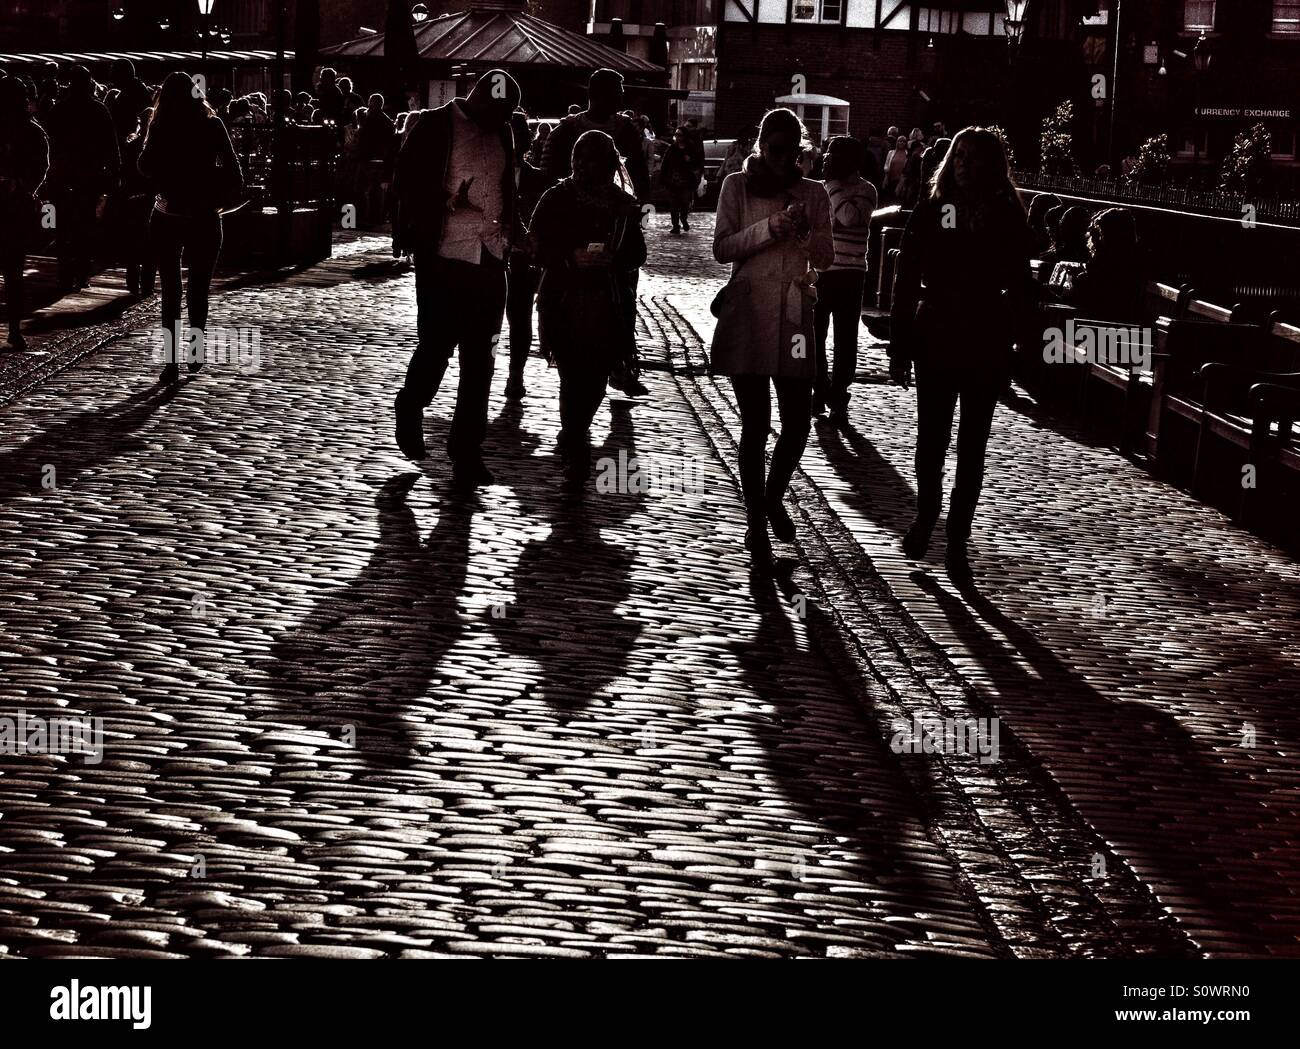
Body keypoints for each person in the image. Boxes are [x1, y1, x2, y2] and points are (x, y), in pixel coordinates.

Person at [888, 126, 1033, 575]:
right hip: (936, 330)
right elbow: (906, 277)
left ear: (991, 165)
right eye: (959, 156)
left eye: (974, 157)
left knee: (973, 444)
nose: (965, 164)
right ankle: (927, 512)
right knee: (932, 437)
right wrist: (899, 342)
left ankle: (957, 537)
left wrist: (1022, 341)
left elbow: (1020, 281)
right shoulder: (933, 210)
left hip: (985, 333)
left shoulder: (1006, 213)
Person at [710, 107, 833, 568]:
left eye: (791, 151)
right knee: (756, 425)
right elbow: (723, 248)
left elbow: (826, 257)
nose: (783, 159)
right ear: (762, 147)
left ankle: (772, 495)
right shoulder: (736, 186)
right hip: (748, 313)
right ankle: (756, 521)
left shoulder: (814, 193)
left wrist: (803, 234)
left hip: (794, 315)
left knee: (798, 423)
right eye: (775, 150)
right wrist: (767, 229)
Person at [390, 69, 523, 487]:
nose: (505, 119)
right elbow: (404, 182)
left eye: (510, 113)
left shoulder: (503, 132)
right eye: (501, 110)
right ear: (481, 97)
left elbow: (508, 186)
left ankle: (466, 452)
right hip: (443, 256)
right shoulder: (434, 125)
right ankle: (410, 404)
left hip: (490, 258)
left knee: (481, 361)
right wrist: (435, 210)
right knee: (435, 348)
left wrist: (515, 232)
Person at [530, 130, 646, 487]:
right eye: (578, 159)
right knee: (571, 377)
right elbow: (535, 245)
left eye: (591, 160)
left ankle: (574, 432)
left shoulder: (622, 205)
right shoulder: (557, 198)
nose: (583, 166)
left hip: (608, 304)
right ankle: (577, 444)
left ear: (608, 165)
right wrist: (570, 257)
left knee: (595, 381)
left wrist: (614, 258)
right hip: (563, 300)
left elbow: (637, 254)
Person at [540, 68, 651, 397]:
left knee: (623, 294)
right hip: (573, 222)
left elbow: (638, 175)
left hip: (614, 221)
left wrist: (636, 212)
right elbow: (548, 175)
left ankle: (620, 360)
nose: (621, 97)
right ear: (599, 93)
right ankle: (558, 348)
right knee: (559, 290)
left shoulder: (626, 130)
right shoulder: (567, 130)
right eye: (617, 91)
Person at [138, 71, 243, 383]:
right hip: (204, 216)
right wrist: (217, 197)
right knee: (199, 289)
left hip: (167, 213)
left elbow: (144, 166)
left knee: (170, 291)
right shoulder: (212, 124)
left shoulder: (160, 126)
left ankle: (170, 362)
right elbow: (235, 172)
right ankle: (195, 352)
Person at [813, 135, 877, 424]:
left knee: (845, 338)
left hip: (850, 272)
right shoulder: (822, 188)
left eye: (833, 157)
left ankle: (839, 392)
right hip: (822, 271)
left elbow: (849, 217)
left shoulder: (865, 189)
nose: (827, 161)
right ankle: (819, 387)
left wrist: (833, 187)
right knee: (815, 334)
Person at [45, 64, 120, 291]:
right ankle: (82, 272)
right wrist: (114, 172)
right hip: (89, 175)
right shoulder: (98, 109)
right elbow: (111, 144)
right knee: (85, 224)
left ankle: (65, 271)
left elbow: (50, 144)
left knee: (63, 225)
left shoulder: (59, 109)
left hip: (63, 174)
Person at [0, 76, 49, 351]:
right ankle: (14, 329)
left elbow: (40, 167)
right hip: (16, 207)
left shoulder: (31, 132)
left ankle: (15, 328)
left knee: (14, 270)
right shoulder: (32, 131)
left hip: (15, 205)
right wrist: (23, 185)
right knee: (14, 271)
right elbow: (41, 167)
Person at [504, 110, 549, 400]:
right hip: (488, 258)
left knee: (520, 320)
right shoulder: (488, 175)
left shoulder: (539, 180)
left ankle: (515, 374)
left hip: (522, 261)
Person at [1069, 207, 1144, 324]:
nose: (1094, 240)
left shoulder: (1110, 263)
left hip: (1103, 325)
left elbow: (1092, 297)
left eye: (1099, 233)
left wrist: (1076, 279)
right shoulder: (1131, 260)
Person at [659, 127, 697, 234]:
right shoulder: (672, 148)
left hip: (686, 181)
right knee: (673, 205)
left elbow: (696, 162)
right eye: (676, 134)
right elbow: (665, 163)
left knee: (685, 203)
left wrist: (690, 160)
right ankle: (675, 225)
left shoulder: (690, 148)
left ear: (685, 136)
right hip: (673, 180)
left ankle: (683, 219)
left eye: (679, 135)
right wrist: (663, 178)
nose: (677, 137)